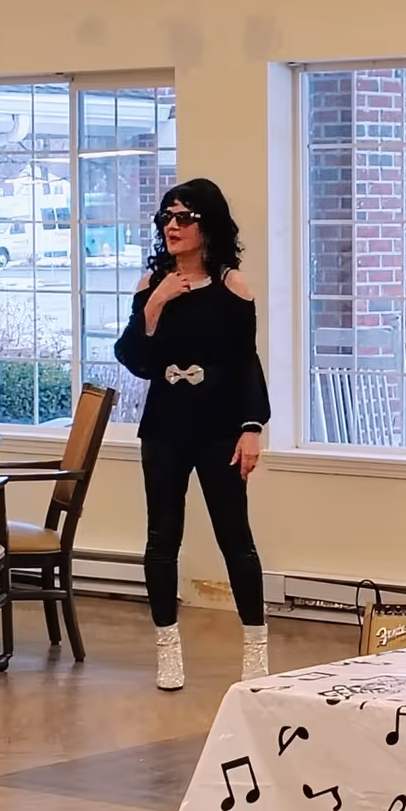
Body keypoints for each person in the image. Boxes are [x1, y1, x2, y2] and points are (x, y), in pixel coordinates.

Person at [115, 179, 271, 691]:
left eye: (184, 217)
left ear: (208, 225)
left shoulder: (231, 286)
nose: (173, 226)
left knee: (235, 539)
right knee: (162, 539)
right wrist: (154, 304)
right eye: (167, 217)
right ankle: (168, 649)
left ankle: (255, 648)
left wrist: (252, 428)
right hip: (164, 427)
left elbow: (246, 361)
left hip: (220, 429)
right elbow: (135, 360)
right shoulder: (152, 284)